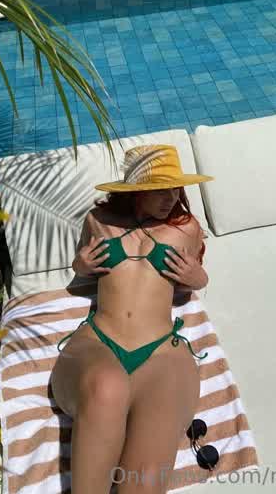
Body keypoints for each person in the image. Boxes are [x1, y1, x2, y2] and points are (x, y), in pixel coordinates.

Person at [50, 143, 214, 494]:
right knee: (105, 387)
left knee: (144, 477)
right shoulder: (99, 221)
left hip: (161, 351)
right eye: (160, 190)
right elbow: (81, 266)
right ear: (136, 190)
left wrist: (196, 277)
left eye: (175, 189)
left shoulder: (186, 228)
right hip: (100, 341)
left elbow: (198, 277)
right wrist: (81, 266)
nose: (171, 198)